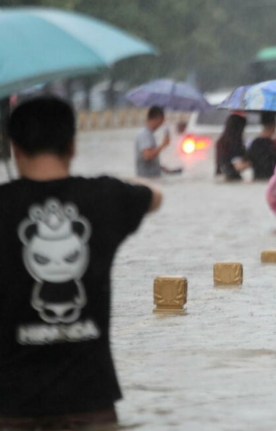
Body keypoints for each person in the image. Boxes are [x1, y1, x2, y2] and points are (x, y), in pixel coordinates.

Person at [0, 96, 162, 429]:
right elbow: (154, 196)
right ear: (73, 145)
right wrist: (117, 182)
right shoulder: (105, 198)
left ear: (14, 147)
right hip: (91, 404)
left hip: (13, 407)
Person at [245, 111, 276, 180]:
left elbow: (248, 160)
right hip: (272, 179)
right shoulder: (274, 144)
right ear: (273, 125)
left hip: (257, 178)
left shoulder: (255, 143)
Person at [215, 113, 247, 181]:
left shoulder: (221, 142)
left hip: (222, 177)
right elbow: (238, 166)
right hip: (233, 178)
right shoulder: (235, 144)